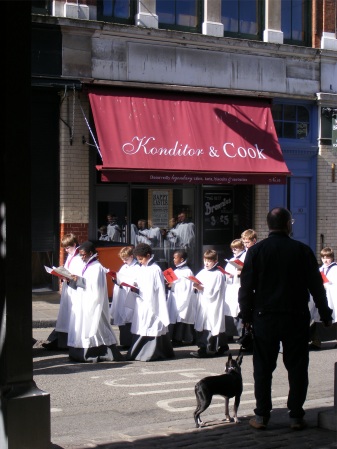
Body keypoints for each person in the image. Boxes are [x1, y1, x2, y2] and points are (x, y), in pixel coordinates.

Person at [238, 207, 333, 430]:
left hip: (265, 316)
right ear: (288, 224)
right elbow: (316, 286)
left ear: (268, 225)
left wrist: (246, 315)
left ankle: (262, 415)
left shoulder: (256, 251)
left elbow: (246, 288)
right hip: (295, 315)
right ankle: (296, 415)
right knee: (297, 367)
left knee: (262, 368)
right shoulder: (302, 250)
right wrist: (325, 313)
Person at [67, 241, 123, 363]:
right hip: (83, 300)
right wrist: (72, 280)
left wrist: (78, 280)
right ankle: (79, 351)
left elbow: (95, 288)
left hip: (93, 303)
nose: (82, 257)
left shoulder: (96, 267)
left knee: (96, 327)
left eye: (83, 254)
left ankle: (100, 351)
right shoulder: (87, 266)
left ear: (91, 253)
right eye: (80, 255)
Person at [126, 243, 174, 362]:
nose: (140, 261)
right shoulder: (142, 268)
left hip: (152, 303)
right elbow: (138, 281)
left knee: (150, 324)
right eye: (138, 259)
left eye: (141, 259)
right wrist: (134, 286)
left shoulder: (155, 269)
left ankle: (151, 352)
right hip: (141, 302)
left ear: (148, 256)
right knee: (142, 325)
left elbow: (157, 289)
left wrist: (141, 291)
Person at [43, 233, 83, 350]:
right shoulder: (71, 256)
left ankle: (69, 341)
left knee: (71, 315)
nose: (66, 250)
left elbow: (79, 275)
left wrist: (69, 277)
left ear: (74, 245)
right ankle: (61, 341)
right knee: (65, 315)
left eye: (67, 248)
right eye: (64, 248)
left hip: (74, 290)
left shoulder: (79, 257)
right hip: (68, 288)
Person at [191, 249, 228, 358]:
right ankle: (222, 346)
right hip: (203, 303)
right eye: (205, 260)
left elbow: (212, 292)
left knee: (212, 324)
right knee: (207, 324)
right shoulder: (202, 272)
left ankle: (207, 349)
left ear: (215, 260)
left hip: (213, 304)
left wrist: (201, 288)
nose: (206, 263)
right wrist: (195, 286)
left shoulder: (218, 274)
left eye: (209, 261)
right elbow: (197, 283)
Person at [110, 246, 140, 347]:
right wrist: (116, 280)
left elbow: (137, 281)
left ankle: (131, 342)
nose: (124, 261)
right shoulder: (124, 267)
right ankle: (124, 342)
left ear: (132, 256)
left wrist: (131, 283)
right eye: (122, 259)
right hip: (122, 294)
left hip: (130, 295)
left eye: (126, 259)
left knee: (130, 319)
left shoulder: (137, 267)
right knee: (122, 319)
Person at [166, 249, 196, 345]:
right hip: (175, 297)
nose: (173, 260)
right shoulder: (177, 270)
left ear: (182, 259)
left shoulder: (187, 272)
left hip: (182, 298)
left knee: (181, 319)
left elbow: (186, 287)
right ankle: (174, 338)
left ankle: (180, 338)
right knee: (175, 318)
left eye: (175, 258)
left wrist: (173, 285)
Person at [309, 246, 337, 350]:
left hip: (333, 298)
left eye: (328, 257)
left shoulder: (335, 269)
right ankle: (317, 342)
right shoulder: (320, 269)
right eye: (323, 257)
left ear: (332, 258)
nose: (325, 260)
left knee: (335, 320)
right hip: (321, 298)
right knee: (317, 320)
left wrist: (328, 285)